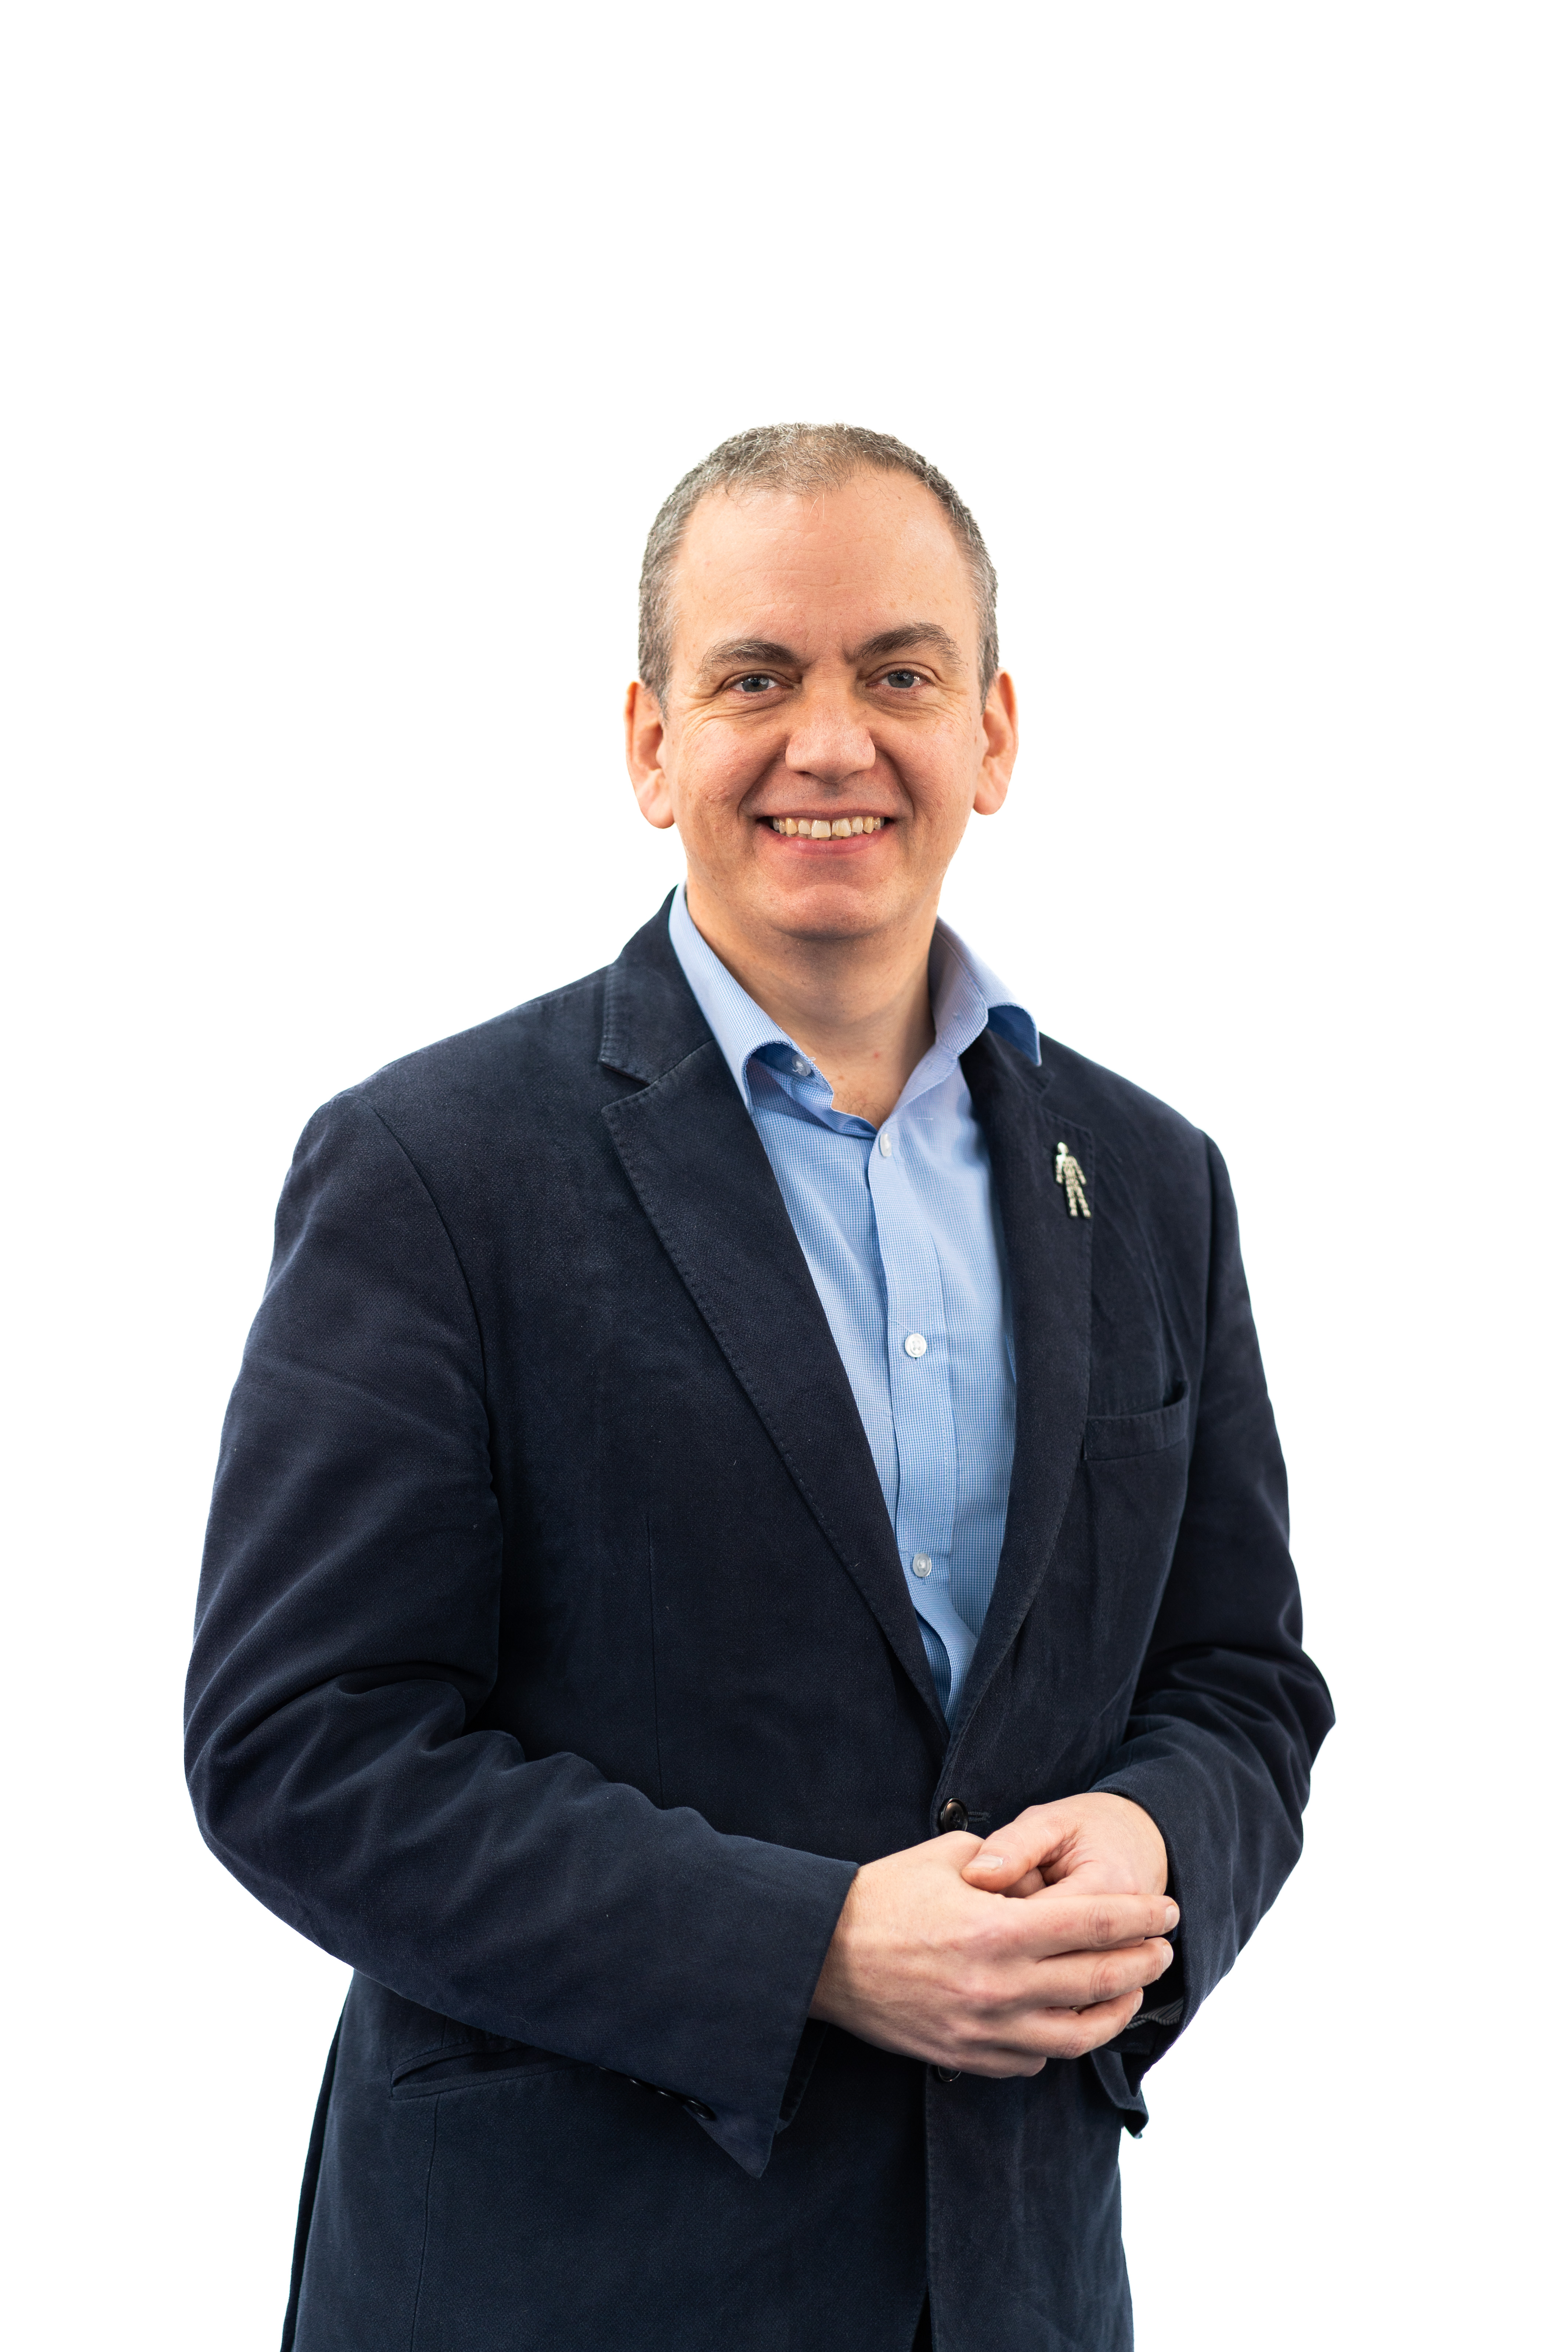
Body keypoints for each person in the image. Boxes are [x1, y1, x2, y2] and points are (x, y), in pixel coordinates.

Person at [186, 423, 1332, 2352]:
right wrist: (812, 1947)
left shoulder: (1149, 1181)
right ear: (651, 746)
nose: (832, 741)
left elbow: (1240, 1680)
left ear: (993, 734)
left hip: (1017, 2283)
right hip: (559, 2287)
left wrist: (1157, 1843)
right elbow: (299, 1743)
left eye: (900, 673)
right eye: (754, 678)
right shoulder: (432, 1169)